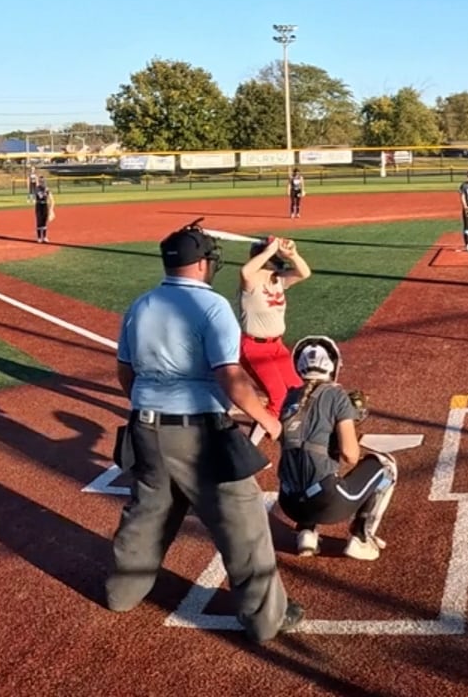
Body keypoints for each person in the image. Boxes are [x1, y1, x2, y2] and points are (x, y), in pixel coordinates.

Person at [105, 222, 300, 640]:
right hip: (199, 432)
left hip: (145, 426)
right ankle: (265, 619)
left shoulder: (141, 304)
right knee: (243, 520)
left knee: (148, 511)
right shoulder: (212, 306)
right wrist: (267, 419)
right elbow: (230, 375)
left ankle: (122, 592)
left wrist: (148, 405)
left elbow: (126, 372)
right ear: (199, 264)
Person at [277, 337, 397, 561]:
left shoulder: (290, 397)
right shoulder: (336, 395)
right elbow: (350, 456)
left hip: (289, 503)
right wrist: (350, 419)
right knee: (386, 466)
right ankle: (361, 538)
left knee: (306, 457)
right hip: (326, 503)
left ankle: (306, 532)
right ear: (332, 365)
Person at [238, 236, 312, 434]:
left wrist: (293, 254)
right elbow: (245, 271)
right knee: (278, 396)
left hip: (277, 346)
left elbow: (304, 273)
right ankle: (253, 444)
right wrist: (270, 250)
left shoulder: (278, 279)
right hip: (254, 348)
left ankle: (293, 431)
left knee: (297, 389)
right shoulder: (251, 281)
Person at [31, 176, 55, 243]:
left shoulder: (47, 189)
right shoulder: (36, 189)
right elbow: (34, 197)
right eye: (40, 181)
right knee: (39, 221)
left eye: (43, 181)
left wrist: (51, 210)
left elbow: (52, 200)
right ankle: (39, 237)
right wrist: (33, 200)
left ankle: (44, 237)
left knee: (44, 222)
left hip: (45, 205)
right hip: (38, 205)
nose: (42, 182)